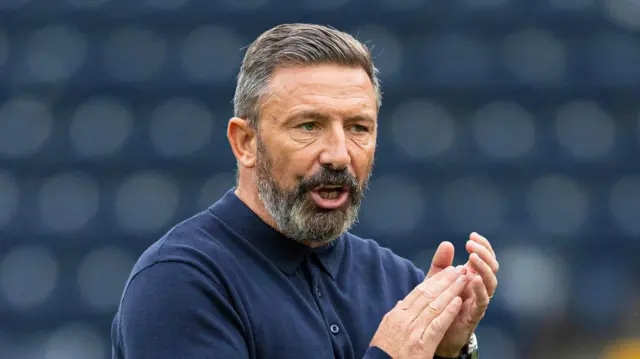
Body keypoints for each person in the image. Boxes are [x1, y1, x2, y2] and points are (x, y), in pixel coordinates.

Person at [111, 23, 499, 359]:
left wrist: (444, 352)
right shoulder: (180, 282)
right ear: (246, 142)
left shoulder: (397, 282)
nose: (338, 155)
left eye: (358, 128)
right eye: (309, 126)